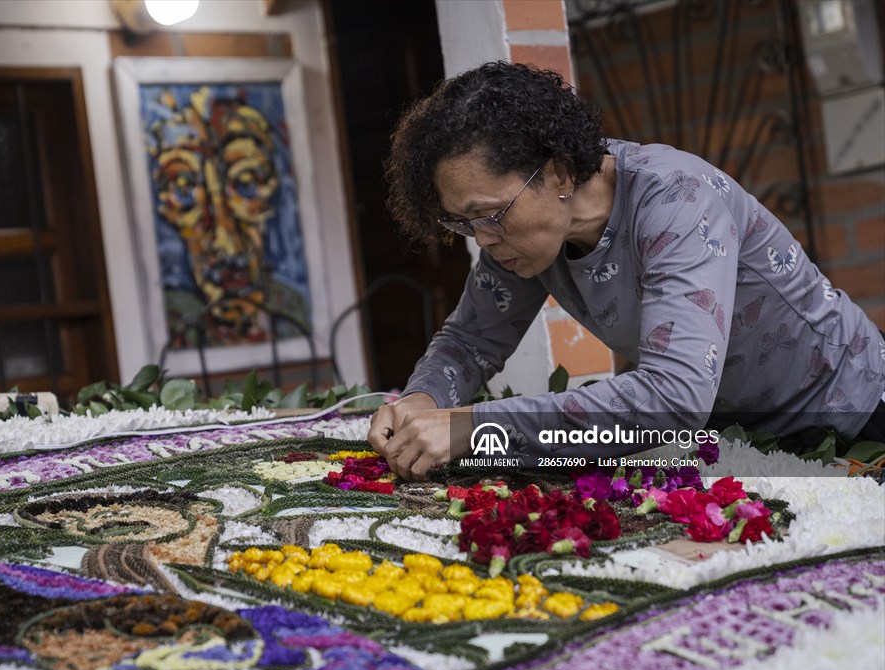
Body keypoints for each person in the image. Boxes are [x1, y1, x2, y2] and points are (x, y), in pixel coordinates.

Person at [368, 61, 885, 481]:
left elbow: (674, 397)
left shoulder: (677, 200)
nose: (482, 238)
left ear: (560, 172)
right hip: (745, 443)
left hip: (856, 419)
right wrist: (422, 400)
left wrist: (478, 430)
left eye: (490, 214)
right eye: (462, 223)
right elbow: (471, 340)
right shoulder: (517, 237)